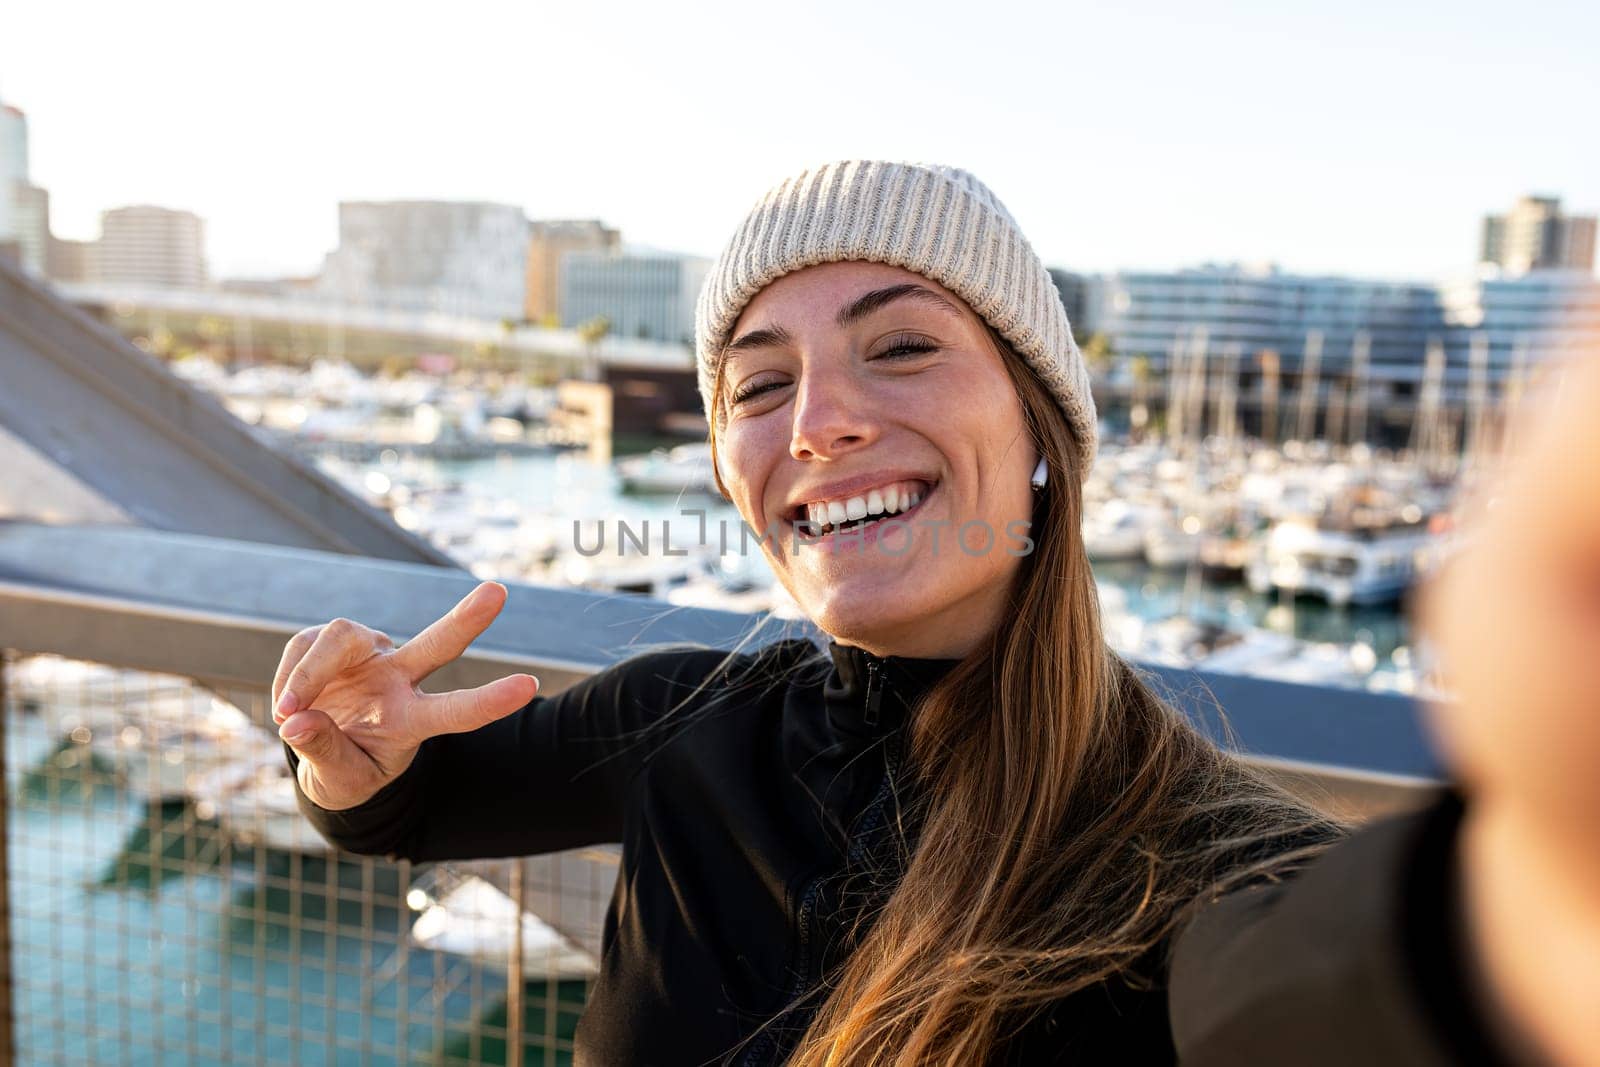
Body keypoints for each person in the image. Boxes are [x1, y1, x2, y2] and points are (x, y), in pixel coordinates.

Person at [273, 161, 1596, 1065]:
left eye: (901, 346)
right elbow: (415, 811)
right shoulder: (681, 718)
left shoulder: (1183, 862)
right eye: (758, 386)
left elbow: (1354, 983)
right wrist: (349, 757)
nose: (823, 420)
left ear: (1039, 432)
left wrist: (1540, 884)